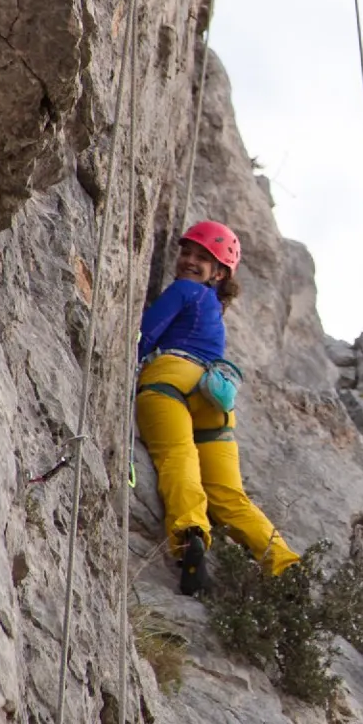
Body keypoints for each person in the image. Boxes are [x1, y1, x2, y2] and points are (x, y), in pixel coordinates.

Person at [136, 220, 299, 594]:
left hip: (171, 378)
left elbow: (144, 334)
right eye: (187, 252)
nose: (189, 261)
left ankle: (191, 535)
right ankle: (285, 566)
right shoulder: (213, 309)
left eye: (202, 257)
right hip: (213, 397)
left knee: (178, 456)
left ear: (220, 271)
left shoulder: (185, 290)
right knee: (228, 494)